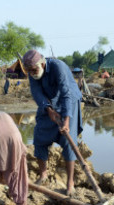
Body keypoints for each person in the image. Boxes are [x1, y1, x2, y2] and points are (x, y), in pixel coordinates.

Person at [23, 49, 83, 196]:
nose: (32, 73)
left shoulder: (58, 67)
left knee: (69, 141)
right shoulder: (32, 72)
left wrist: (66, 120)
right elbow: (36, 92)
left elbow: (66, 93)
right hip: (49, 102)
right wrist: (48, 110)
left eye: (34, 69)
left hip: (69, 101)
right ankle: (43, 175)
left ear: (42, 64)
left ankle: (70, 183)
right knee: (39, 136)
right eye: (29, 71)